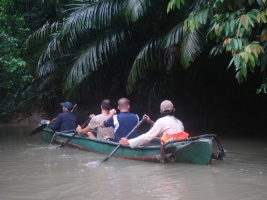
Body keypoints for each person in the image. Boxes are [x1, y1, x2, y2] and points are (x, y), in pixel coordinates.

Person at [119, 100, 188, 148]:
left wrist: (128, 142)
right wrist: (150, 122)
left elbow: (147, 137)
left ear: (161, 112)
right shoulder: (180, 123)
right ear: (174, 110)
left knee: (145, 144)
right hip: (178, 145)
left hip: (167, 148)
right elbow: (164, 127)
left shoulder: (161, 121)